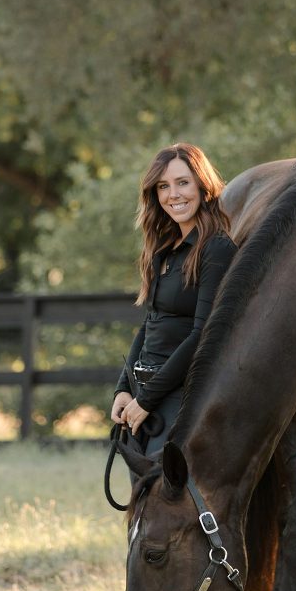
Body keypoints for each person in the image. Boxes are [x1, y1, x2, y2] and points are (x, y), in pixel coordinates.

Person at [110, 143, 237, 457]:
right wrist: (124, 388)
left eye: (183, 182)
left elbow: (203, 334)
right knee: (139, 501)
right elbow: (151, 323)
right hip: (145, 391)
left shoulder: (216, 250)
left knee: (165, 497)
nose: (173, 194)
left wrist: (147, 400)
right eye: (163, 186)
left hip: (180, 396)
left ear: (202, 186)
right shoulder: (163, 248)